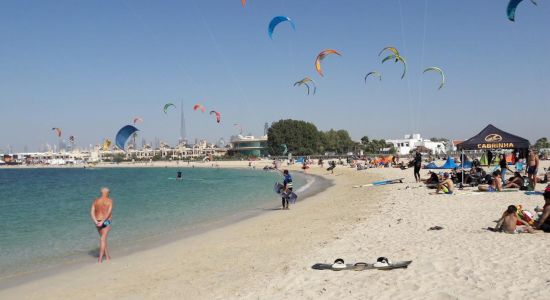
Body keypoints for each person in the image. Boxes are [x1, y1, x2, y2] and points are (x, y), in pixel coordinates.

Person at [90, 187, 113, 263]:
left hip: (98, 221)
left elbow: (92, 212)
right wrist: (103, 221)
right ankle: (100, 259)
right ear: (107, 193)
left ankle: (107, 256)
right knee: (103, 239)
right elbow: (108, 212)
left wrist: (96, 221)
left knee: (103, 238)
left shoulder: (96, 201)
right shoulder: (110, 201)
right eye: (109, 192)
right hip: (106, 221)